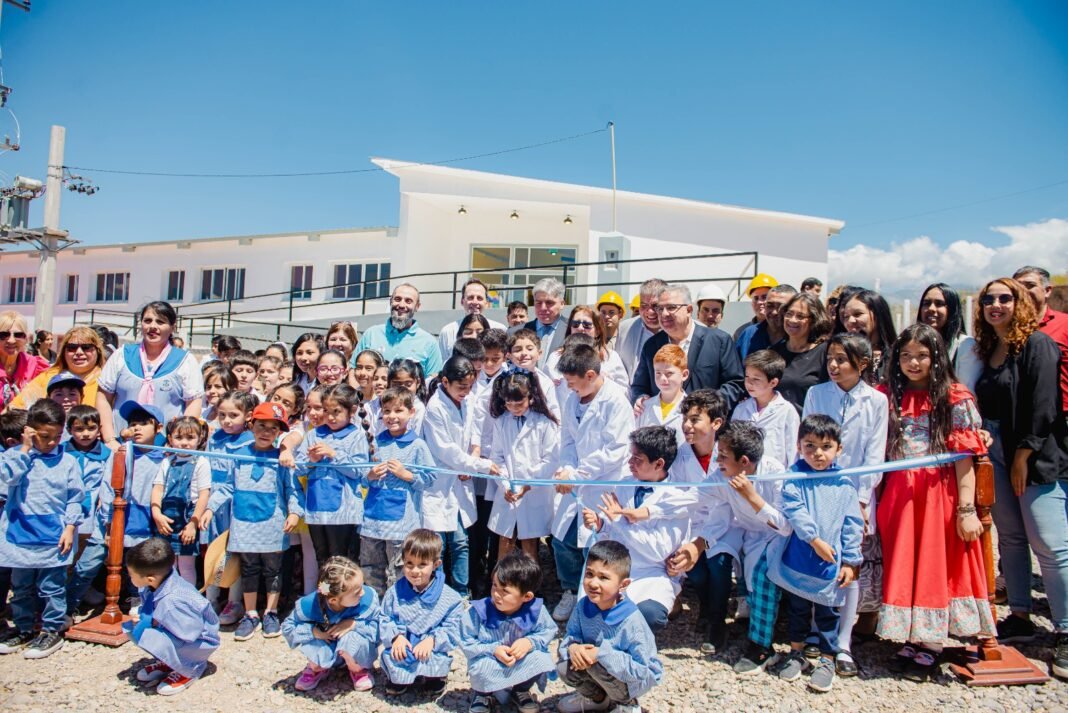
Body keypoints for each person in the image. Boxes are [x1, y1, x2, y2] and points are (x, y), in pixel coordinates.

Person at [877, 324, 994, 682]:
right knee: (904, 560)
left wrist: (966, 508)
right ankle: (912, 634)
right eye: (906, 355)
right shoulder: (886, 395)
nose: (913, 363)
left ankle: (933, 642)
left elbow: (964, 456)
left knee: (934, 563)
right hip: (898, 493)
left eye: (922, 355)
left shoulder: (955, 398)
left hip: (936, 495)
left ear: (937, 357)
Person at [973, 277, 1068, 676]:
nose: (996, 305)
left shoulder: (1037, 345)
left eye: (1005, 298)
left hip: (1033, 456)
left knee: (1049, 543)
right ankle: (1020, 616)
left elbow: (1044, 406)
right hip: (994, 451)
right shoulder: (989, 347)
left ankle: (1064, 630)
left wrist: (1022, 457)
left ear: (1021, 303)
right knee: (1009, 537)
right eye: (989, 299)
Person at [802, 333, 888, 670]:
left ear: (862, 364)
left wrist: (863, 501)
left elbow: (875, 454)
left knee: (852, 565)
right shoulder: (816, 393)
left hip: (856, 495)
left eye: (842, 359)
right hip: (819, 491)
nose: (833, 366)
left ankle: (844, 641)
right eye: (830, 359)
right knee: (818, 560)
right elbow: (806, 443)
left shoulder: (876, 401)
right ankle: (815, 631)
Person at [765, 415, 864, 693]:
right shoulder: (794, 477)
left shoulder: (844, 482)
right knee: (797, 609)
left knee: (827, 613)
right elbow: (796, 512)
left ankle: (827, 659)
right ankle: (796, 652)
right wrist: (814, 539)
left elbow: (852, 523)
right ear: (799, 446)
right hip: (800, 558)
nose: (817, 454)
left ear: (838, 449)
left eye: (826, 446)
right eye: (810, 446)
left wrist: (851, 561)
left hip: (830, 564)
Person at [582, 426, 695, 634]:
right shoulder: (624, 484)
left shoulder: (676, 498)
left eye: (637, 459)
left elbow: (658, 552)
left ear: (659, 464)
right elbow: (614, 534)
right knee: (588, 611)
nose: (630, 463)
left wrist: (618, 521)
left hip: (654, 573)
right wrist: (601, 525)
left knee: (648, 615)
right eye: (631, 457)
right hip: (617, 569)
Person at [206, 403, 304, 641]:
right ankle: (250, 613)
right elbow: (228, 485)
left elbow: (292, 489)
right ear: (251, 425)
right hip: (244, 524)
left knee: (273, 569)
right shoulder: (239, 454)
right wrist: (210, 507)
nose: (266, 432)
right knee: (249, 568)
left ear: (279, 433)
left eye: (273, 428)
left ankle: (270, 611)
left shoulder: (281, 459)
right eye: (261, 426)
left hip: (272, 524)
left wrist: (294, 512)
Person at [551, 343, 633, 624]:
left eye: (573, 384)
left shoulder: (615, 401)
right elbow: (568, 441)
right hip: (576, 484)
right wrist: (567, 469)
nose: (570, 389)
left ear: (589, 374)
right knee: (563, 539)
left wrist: (578, 474)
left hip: (604, 485)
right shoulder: (573, 399)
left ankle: (598, 604)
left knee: (596, 546)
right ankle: (571, 590)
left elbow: (616, 450)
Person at [0, 399, 83, 659]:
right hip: (19, 533)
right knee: (21, 586)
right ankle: (24, 628)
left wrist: (70, 527)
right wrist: (24, 450)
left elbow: (75, 497)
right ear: (30, 430)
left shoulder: (68, 461)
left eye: (58, 436)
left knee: (52, 587)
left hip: (53, 535)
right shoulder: (14, 456)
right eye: (45, 436)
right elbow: (5, 482)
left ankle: (51, 629)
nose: (51, 442)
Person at [421, 356, 500, 597]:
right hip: (440, 483)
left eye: (469, 386)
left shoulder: (468, 400)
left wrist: (474, 454)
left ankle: (461, 592)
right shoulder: (435, 408)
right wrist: (478, 465)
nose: (466, 392)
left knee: (461, 542)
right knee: (439, 545)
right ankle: (437, 592)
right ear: (445, 381)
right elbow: (445, 450)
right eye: (461, 387)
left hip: (461, 479)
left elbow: (474, 432)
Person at [556, 540, 663, 713]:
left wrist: (600, 654)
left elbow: (643, 670)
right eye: (589, 574)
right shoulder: (583, 606)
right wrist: (573, 648)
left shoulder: (631, 620)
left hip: (628, 679)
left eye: (604, 577)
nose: (593, 583)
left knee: (597, 664)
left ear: (623, 584)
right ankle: (597, 699)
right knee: (564, 667)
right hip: (598, 669)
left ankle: (627, 705)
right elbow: (571, 635)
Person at [664, 389, 733, 654]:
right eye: (685, 419)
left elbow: (725, 505)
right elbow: (677, 496)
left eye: (695, 420)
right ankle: (705, 607)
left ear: (716, 423)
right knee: (695, 570)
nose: (687, 425)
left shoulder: (727, 453)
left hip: (725, 524)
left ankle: (717, 622)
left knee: (718, 563)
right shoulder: (680, 455)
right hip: (691, 523)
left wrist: (702, 541)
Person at [96, 302, 204, 448]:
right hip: (121, 445)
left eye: (160, 322)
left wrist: (174, 444)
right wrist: (110, 439)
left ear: (172, 327)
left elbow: (193, 404)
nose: (153, 326)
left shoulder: (185, 360)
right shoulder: (122, 355)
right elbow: (103, 398)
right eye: (147, 321)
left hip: (166, 449)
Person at [461, 552, 558, 713]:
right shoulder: (478, 611)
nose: (496, 594)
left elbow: (547, 631)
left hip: (519, 661)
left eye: (504, 591)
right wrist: (493, 650)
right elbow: (466, 641)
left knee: (541, 659)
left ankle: (520, 690)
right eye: (494, 586)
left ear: (526, 596)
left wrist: (529, 643)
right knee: (480, 668)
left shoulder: (535, 610)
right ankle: (483, 694)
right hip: (490, 660)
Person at [360, 387, 435, 595]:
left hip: (402, 523)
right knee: (370, 567)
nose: (392, 416)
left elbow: (430, 479)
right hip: (372, 521)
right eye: (386, 411)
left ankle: (398, 607)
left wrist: (407, 475)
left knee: (399, 568)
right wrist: (370, 475)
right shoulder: (374, 442)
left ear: (411, 412)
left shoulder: (418, 445)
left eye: (398, 410)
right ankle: (376, 605)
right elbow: (361, 476)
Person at [124, 537, 220, 696]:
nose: (130, 579)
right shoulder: (156, 582)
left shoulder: (172, 601)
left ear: (150, 578)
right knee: (136, 629)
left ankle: (190, 668)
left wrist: (153, 623)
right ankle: (170, 662)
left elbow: (190, 632)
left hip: (197, 641)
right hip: (176, 631)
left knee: (147, 635)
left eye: (132, 575)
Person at [631, 284, 746, 412]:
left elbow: (735, 384)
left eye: (671, 307)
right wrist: (640, 398)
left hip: (706, 425)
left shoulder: (719, 341)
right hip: (663, 425)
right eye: (660, 308)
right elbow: (639, 385)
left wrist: (707, 407)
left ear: (689, 310)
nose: (664, 314)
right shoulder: (652, 345)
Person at [379, 529, 464, 697]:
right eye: (409, 564)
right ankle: (400, 678)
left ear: (436, 564)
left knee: (435, 659)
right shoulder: (394, 592)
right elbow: (385, 618)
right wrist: (396, 637)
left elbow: (453, 627)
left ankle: (434, 678)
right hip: (404, 646)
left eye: (422, 565)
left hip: (430, 647)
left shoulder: (450, 598)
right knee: (393, 656)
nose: (415, 570)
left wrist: (432, 640)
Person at [486, 370, 559, 562]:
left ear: (531, 397)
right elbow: (497, 457)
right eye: (509, 404)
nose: (514, 408)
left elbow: (550, 460)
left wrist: (528, 485)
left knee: (530, 544)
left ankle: (530, 589)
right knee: (505, 541)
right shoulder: (501, 422)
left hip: (534, 492)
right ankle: (499, 586)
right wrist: (505, 484)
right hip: (508, 492)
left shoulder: (545, 423)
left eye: (519, 403)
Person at [295, 384, 370, 567]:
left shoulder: (356, 436)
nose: (330, 417)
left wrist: (334, 454)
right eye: (327, 411)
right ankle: (326, 594)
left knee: (341, 560)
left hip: (344, 512)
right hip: (316, 509)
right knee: (322, 558)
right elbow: (298, 468)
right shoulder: (313, 434)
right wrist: (311, 460)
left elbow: (359, 471)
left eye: (336, 412)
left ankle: (342, 594)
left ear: (351, 410)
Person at [282, 556, 380, 692]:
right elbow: (288, 627)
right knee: (313, 642)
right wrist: (313, 632)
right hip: (326, 642)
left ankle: (358, 669)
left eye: (362, 585)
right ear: (334, 600)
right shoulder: (310, 605)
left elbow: (380, 625)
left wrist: (354, 624)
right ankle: (317, 667)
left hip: (349, 647)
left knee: (352, 638)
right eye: (357, 591)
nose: (363, 592)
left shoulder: (366, 599)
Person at [63, 405, 114, 614]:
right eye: (78, 429)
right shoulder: (62, 451)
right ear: (69, 430)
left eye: (91, 428)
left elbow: (108, 484)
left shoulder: (106, 454)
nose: (85, 434)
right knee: (66, 555)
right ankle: (62, 602)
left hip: (93, 510)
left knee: (90, 554)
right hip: (65, 510)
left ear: (99, 429)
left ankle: (78, 593)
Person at [151, 417, 211, 585]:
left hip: (187, 519)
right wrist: (157, 515)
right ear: (170, 439)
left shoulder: (201, 462)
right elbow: (157, 488)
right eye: (179, 438)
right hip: (166, 518)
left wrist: (193, 524)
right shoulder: (167, 462)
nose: (184, 443)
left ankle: (186, 601)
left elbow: (204, 495)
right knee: (167, 563)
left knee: (186, 565)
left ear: (199, 439)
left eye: (190, 438)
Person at [1013, 266, 1068, 423]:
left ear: (1048, 290)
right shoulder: (1007, 329)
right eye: (1017, 287)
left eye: (1030, 285)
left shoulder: (1065, 324)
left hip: (1061, 419)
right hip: (1021, 419)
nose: (1023, 291)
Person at [354, 283, 443, 378]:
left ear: (417, 306)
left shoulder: (430, 343)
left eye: (408, 301)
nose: (401, 305)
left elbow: (433, 382)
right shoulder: (371, 334)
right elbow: (353, 371)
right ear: (390, 302)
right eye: (397, 299)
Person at [10, 326, 106, 410]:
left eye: (86, 347)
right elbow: (15, 409)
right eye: (72, 348)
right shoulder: (47, 377)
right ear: (63, 351)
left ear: (98, 351)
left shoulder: (107, 380)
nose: (79, 352)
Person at [732, 349, 800, 469]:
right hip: (745, 476)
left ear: (773, 382)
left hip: (776, 478)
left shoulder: (787, 410)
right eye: (747, 376)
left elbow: (793, 451)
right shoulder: (741, 409)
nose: (749, 383)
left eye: (756, 379)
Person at [545, 306, 629, 395]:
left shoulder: (610, 357)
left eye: (587, 325)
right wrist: (551, 387)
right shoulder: (555, 357)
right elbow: (543, 390)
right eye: (575, 324)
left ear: (597, 331)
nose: (580, 328)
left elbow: (626, 393)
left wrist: (605, 383)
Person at [772, 292, 832, 413]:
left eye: (800, 316)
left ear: (814, 320)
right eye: (789, 314)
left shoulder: (825, 353)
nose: (792, 320)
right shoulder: (774, 352)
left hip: (810, 426)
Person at [916, 283, 982, 392]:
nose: (931, 308)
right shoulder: (913, 344)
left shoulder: (966, 346)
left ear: (952, 309)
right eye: (926, 303)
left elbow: (966, 393)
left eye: (939, 304)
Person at [438, 279, 508, 357]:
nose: (475, 302)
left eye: (479, 298)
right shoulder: (447, 332)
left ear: (486, 303)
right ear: (462, 301)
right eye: (470, 297)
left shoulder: (500, 329)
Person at [838, 289, 896, 383]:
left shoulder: (897, 355)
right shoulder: (838, 355)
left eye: (858, 314)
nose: (850, 321)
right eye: (846, 316)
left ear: (878, 315)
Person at [508, 277, 568, 367]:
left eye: (549, 302)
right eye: (538, 303)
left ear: (562, 303)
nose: (543, 308)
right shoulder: (513, 333)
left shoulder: (572, 330)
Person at [635, 344, 688, 444]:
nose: (663, 378)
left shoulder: (692, 408)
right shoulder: (644, 407)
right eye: (658, 373)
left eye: (669, 373)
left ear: (684, 375)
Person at [615, 278, 666, 379]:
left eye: (655, 306)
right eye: (644, 305)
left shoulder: (677, 329)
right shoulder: (624, 328)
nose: (650, 311)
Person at [505, 329, 560, 418]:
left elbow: (554, 413)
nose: (524, 353)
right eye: (517, 350)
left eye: (530, 349)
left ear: (539, 353)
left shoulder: (546, 383)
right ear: (509, 355)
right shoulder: (503, 379)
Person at [0, 311, 50, 409]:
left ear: (26, 339)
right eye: (3, 335)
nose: (11, 340)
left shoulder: (36, 366)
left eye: (18, 335)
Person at [737, 284, 796, 359]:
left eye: (781, 307)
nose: (774, 312)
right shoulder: (749, 334)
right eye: (770, 305)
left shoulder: (799, 338)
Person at [732, 273, 778, 342]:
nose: (759, 302)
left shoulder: (786, 329)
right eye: (756, 298)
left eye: (764, 297)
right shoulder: (741, 333)